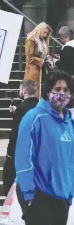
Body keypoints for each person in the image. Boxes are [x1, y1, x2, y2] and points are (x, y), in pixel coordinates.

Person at [15, 71, 74, 225]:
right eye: (58, 89)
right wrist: (28, 193)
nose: (62, 93)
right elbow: (23, 157)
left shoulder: (69, 123)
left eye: (66, 90)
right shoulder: (34, 117)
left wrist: (69, 192)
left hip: (61, 194)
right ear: (48, 91)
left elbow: (70, 161)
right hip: (37, 192)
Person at [4, 79, 38, 195]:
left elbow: (15, 133)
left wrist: (10, 153)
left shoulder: (22, 108)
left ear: (24, 91)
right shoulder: (40, 106)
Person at [24, 23, 52, 98]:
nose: (45, 35)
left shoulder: (43, 41)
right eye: (44, 32)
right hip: (33, 71)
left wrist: (48, 59)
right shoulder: (31, 39)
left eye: (47, 33)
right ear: (39, 30)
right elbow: (30, 58)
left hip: (42, 71)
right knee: (34, 96)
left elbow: (43, 55)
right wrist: (42, 62)